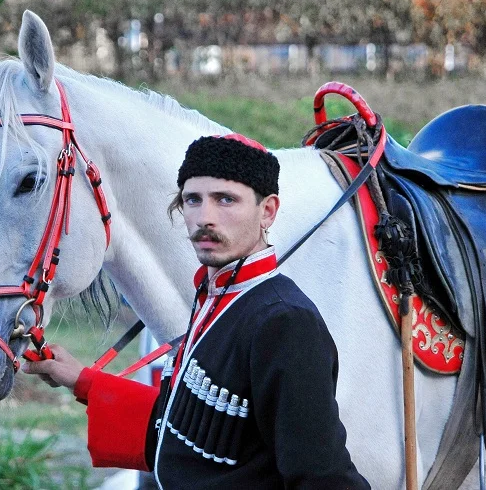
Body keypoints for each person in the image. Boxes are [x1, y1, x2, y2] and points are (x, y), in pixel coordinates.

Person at [22, 133, 370, 489]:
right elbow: (191, 427)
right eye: (193, 199)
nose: (205, 217)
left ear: (267, 211)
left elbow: (321, 477)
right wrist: (81, 379)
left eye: (225, 200)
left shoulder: (285, 321)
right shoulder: (213, 297)